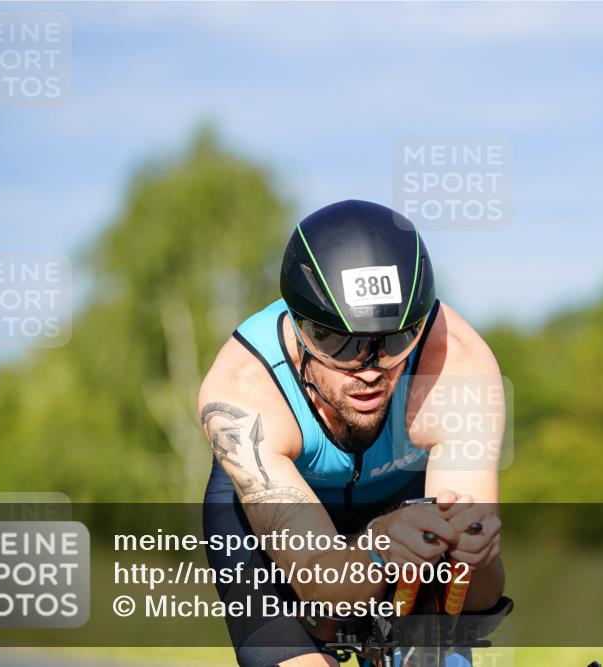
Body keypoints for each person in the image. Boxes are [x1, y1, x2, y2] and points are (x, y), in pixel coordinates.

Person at [199, 200, 505, 666]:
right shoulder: (241, 396)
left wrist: (475, 556)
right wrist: (378, 543)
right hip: (281, 528)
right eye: (340, 343)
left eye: (397, 340)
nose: (369, 369)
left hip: (402, 499)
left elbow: (477, 599)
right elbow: (320, 583)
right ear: (301, 330)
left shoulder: (456, 365)